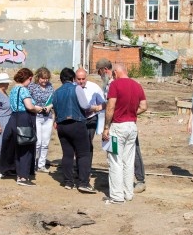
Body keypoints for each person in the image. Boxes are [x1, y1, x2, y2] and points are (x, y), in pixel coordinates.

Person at [95, 58, 146, 192]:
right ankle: (117, 182)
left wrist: (127, 114)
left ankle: (139, 179)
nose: (100, 75)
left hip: (119, 123)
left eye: (100, 72)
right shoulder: (108, 84)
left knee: (128, 154)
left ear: (106, 70)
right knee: (113, 152)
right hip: (115, 123)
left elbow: (113, 105)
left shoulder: (116, 83)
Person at [0, 67, 51, 186]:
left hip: (13, 118)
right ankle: (22, 177)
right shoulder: (23, 90)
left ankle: (12, 170)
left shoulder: (13, 89)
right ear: (28, 78)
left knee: (16, 146)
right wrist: (39, 109)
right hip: (24, 119)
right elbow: (29, 106)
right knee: (25, 147)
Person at [52, 67, 96, 193]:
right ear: (73, 78)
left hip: (61, 125)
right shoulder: (76, 88)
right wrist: (95, 107)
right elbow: (85, 105)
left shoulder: (56, 92)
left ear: (61, 80)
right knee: (83, 153)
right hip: (76, 123)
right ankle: (83, 182)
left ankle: (68, 182)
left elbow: (55, 108)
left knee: (67, 154)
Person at [28, 67, 55, 172]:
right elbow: (28, 100)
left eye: (47, 78)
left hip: (47, 116)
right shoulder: (32, 87)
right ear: (38, 77)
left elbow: (53, 99)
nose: (45, 81)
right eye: (43, 78)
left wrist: (50, 106)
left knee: (45, 142)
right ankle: (33, 164)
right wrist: (36, 108)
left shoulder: (50, 86)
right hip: (36, 116)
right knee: (37, 142)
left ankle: (41, 165)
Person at [75, 67, 105, 148]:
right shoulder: (72, 88)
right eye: (79, 79)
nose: (81, 81)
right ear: (75, 79)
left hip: (91, 118)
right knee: (78, 142)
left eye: (83, 79)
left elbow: (103, 103)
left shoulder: (94, 87)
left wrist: (96, 108)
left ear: (86, 78)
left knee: (88, 141)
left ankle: (88, 160)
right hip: (77, 119)